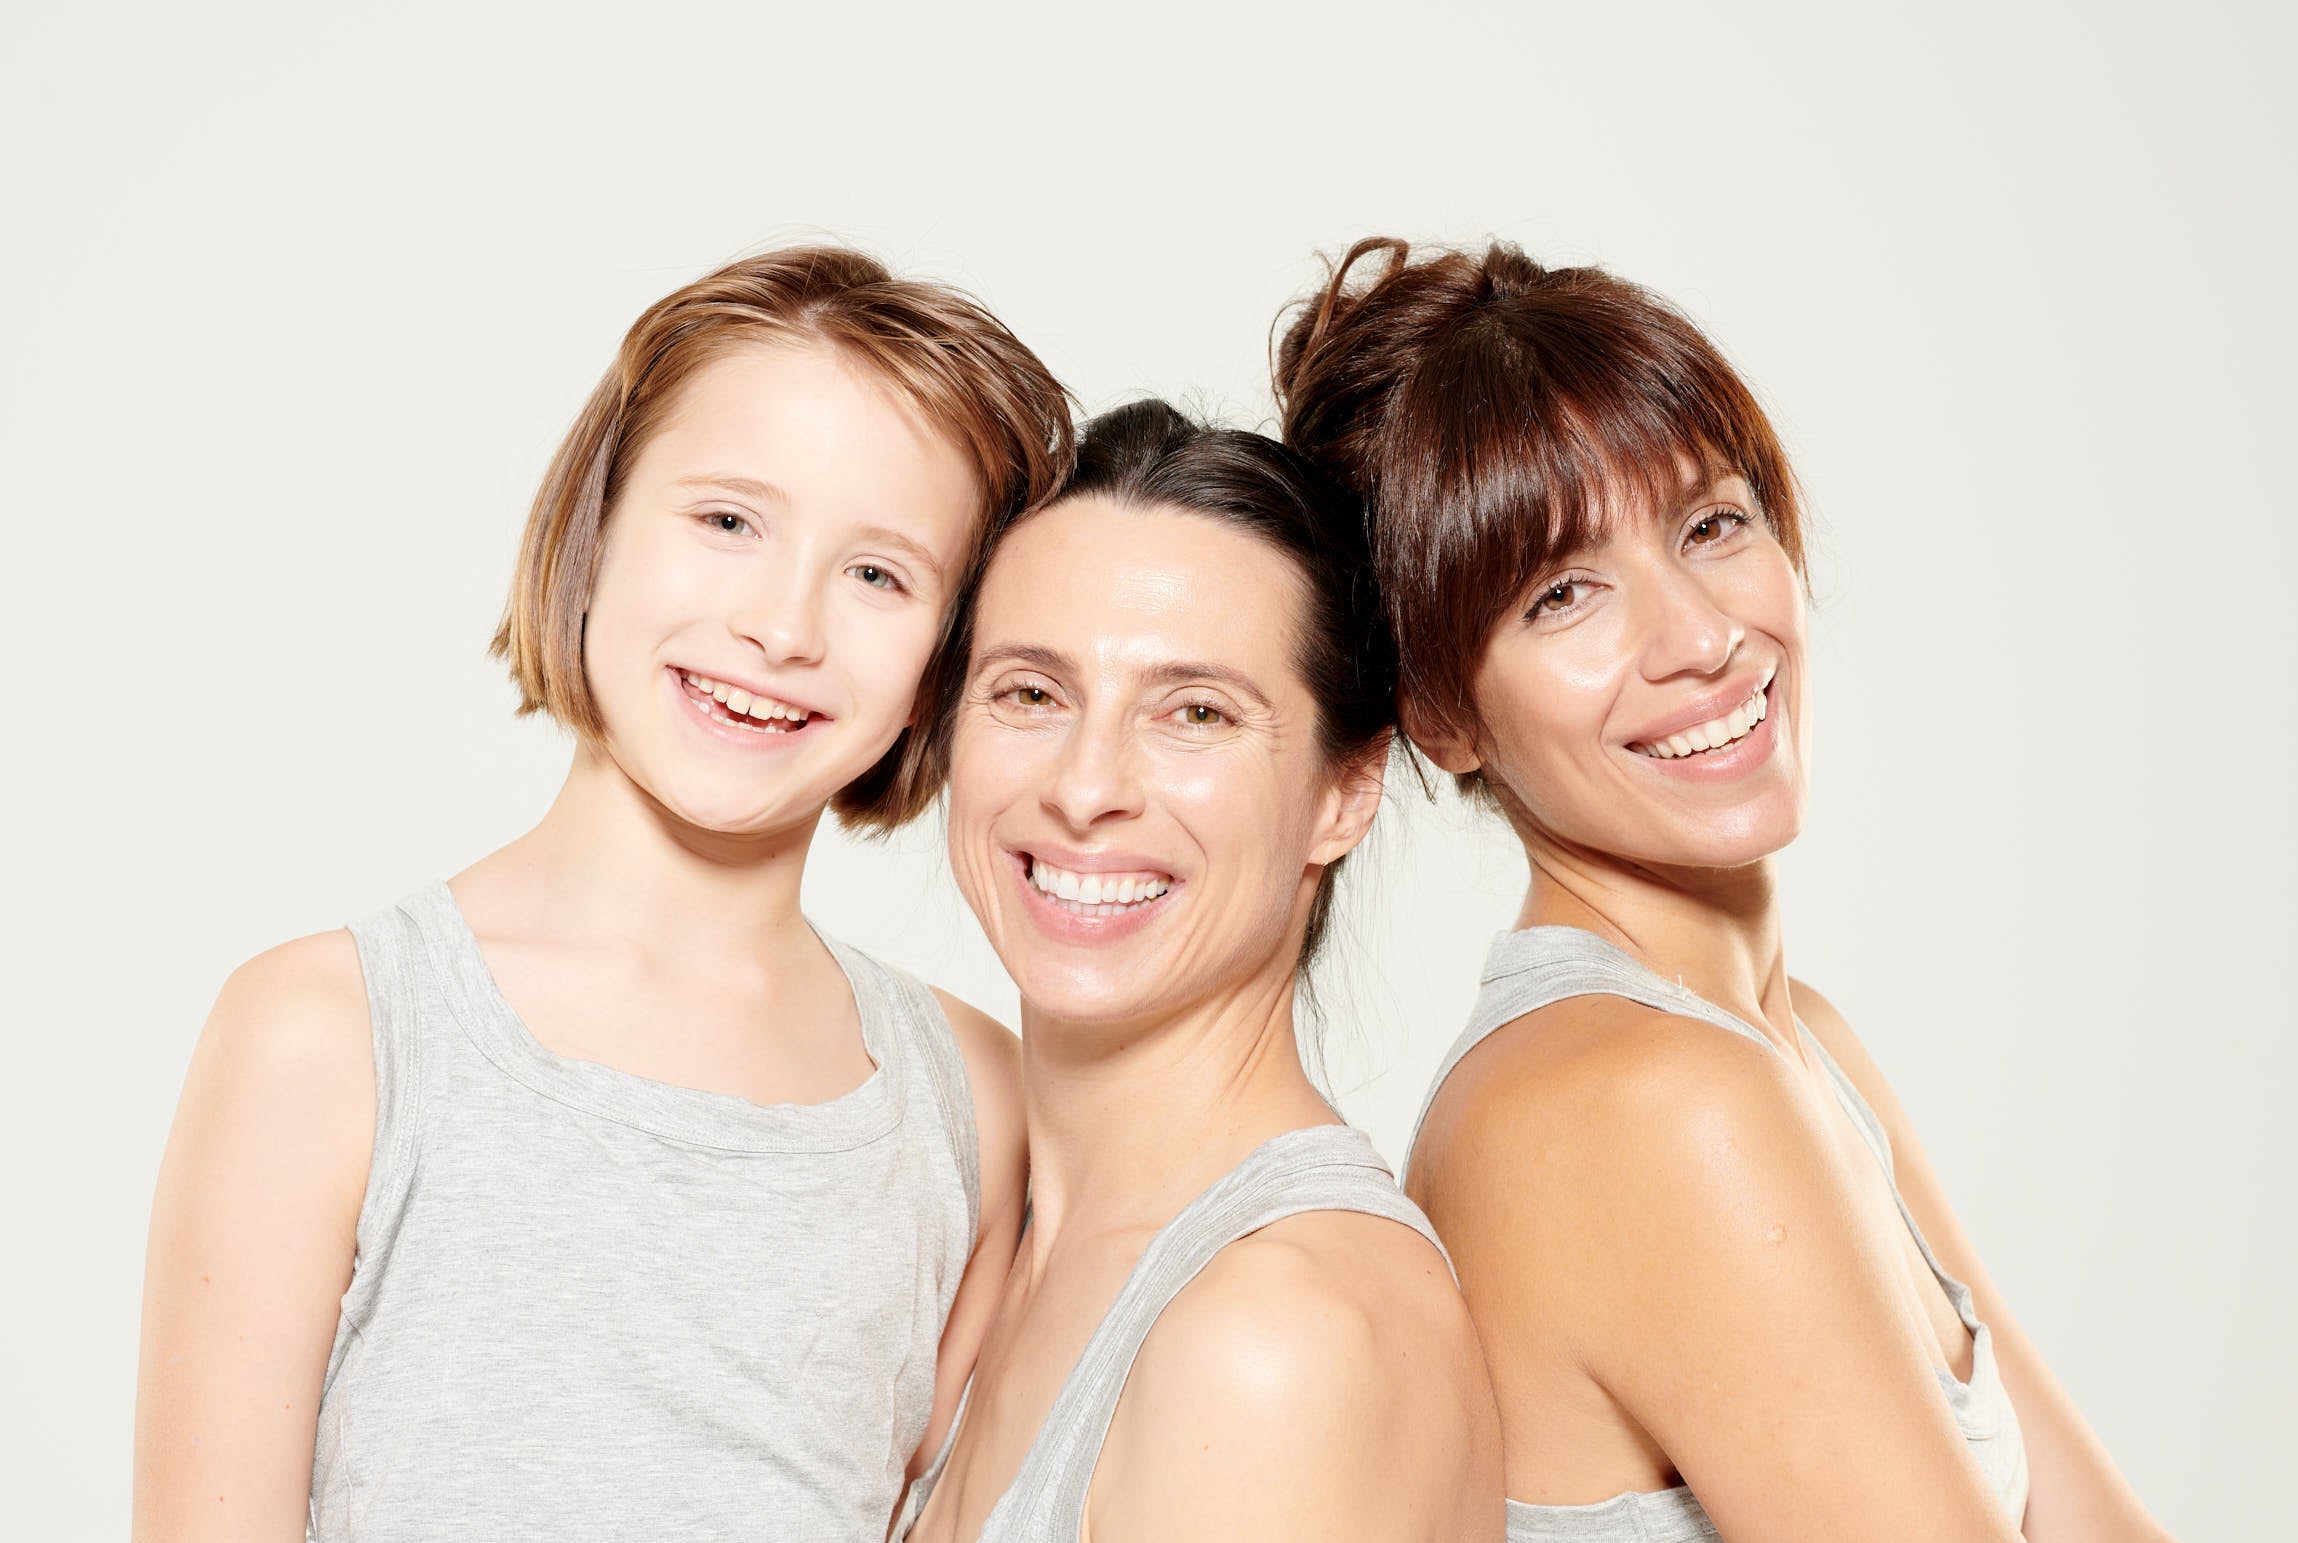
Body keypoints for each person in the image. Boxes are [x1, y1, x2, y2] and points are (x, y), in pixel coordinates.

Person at [134, 246, 1072, 1543]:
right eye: (729, 520)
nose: (781, 625)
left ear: (947, 655)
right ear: (597, 525)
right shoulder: (332, 1030)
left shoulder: (976, 1100)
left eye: (877, 573)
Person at [1276, 237, 2176, 1542]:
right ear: (1439, 712)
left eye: (1710, 523)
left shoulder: (1795, 1041)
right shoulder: (1645, 1100)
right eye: (1562, 593)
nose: (1699, 636)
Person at [899, 400, 1503, 1542]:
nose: (1085, 788)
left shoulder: (1276, 1338)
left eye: (1194, 711)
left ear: (1344, 790)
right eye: (1031, 692)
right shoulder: (984, 1247)